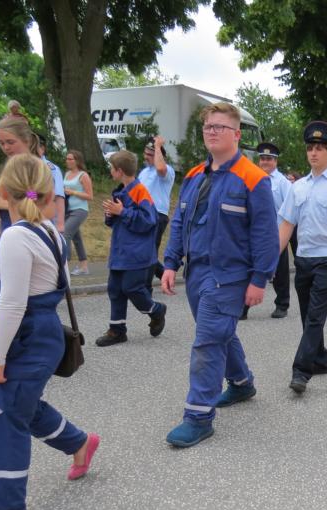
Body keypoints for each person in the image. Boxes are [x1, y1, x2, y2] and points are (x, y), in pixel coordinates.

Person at [0, 153, 99, 510]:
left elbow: (11, 303)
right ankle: (78, 442)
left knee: (7, 414)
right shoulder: (51, 233)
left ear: (3, 191)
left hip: (26, 336)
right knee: (22, 403)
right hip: (44, 333)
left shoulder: (15, 236)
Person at [162, 102, 278, 447]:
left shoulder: (254, 179)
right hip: (196, 272)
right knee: (219, 333)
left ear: (237, 134)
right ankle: (242, 384)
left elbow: (265, 235)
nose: (212, 132)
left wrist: (259, 279)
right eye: (208, 127)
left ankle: (198, 417)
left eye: (220, 127)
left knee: (208, 342)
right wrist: (170, 263)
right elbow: (180, 221)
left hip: (228, 277)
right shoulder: (194, 176)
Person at [278, 121, 327, 393]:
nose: (313, 153)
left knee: (315, 316)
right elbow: (287, 224)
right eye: (310, 148)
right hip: (303, 259)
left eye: (319, 148)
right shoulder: (298, 187)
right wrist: (270, 259)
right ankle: (320, 359)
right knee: (307, 315)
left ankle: (301, 371)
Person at [96, 150, 166, 347]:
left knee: (132, 288)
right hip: (120, 251)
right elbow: (114, 222)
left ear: (119, 171)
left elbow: (148, 221)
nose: (110, 171)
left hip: (137, 253)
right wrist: (111, 214)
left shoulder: (140, 191)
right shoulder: (119, 192)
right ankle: (117, 331)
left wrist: (122, 212)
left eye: (112, 168)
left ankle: (156, 310)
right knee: (115, 289)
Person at [241, 141, 293, 320]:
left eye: (269, 159)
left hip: (277, 234)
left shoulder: (283, 183)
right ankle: (243, 307)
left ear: (275, 161)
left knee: (280, 272)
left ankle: (282, 304)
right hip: (254, 234)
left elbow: (290, 210)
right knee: (249, 270)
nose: (265, 162)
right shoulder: (252, 178)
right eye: (262, 158)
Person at [0, 117, 42, 232]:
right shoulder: (10, 168)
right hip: (8, 231)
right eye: (1, 143)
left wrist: (5, 204)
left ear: (26, 140)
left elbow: (35, 199)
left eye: (10, 142)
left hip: (27, 233)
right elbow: (8, 214)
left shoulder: (34, 167)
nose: (6, 147)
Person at [138, 136, 175, 294]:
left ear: (160, 155)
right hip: (142, 214)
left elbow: (160, 169)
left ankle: (146, 289)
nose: (146, 156)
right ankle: (164, 275)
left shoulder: (167, 170)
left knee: (150, 251)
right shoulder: (144, 172)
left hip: (157, 214)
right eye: (145, 153)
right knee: (143, 249)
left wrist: (158, 146)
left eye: (150, 154)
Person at [63, 149, 93, 273]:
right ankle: (83, 266)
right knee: (77, 239)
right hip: (67, 210)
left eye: (70, 159)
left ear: (77, 161)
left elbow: (90, 196)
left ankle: (64, 263)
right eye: (67, 159)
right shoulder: (66, 174)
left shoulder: (83, 175)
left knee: (65, 233)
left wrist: (73, 192)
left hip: (80, 210)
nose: (67, 161)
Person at [37, 135, 66, 232]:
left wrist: (60, 224)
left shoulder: (52, 169)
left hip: (46, 217)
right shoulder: (25, 166)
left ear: (42, 149)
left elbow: (59, 196)